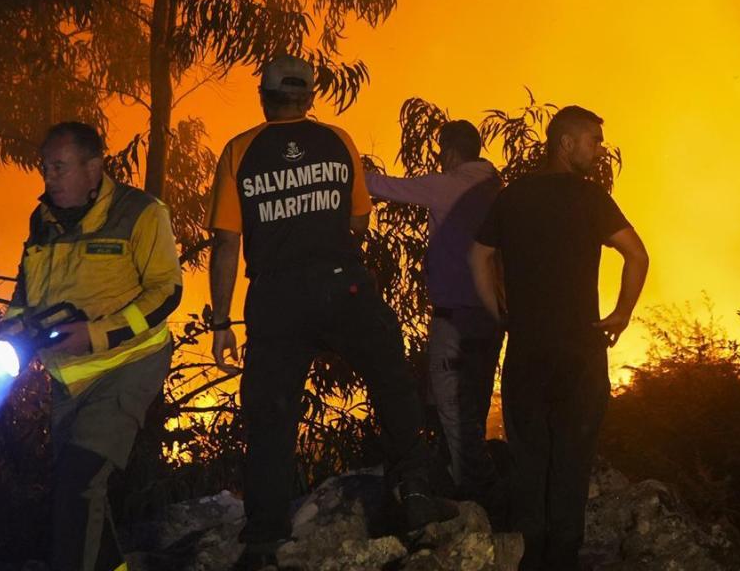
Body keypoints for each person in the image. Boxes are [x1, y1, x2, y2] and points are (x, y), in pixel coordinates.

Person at [205, 55, 455, 569]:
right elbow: (359, 221)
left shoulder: (239, 151)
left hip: (275, 296)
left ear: (263, 98)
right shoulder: (337, 141)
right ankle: (415, 493)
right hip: (343, 286)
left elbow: (226, 242)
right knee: (390, 379)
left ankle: (265, 537)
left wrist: (222, 321)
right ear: (310, 98)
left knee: (271, 415)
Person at [470, 105, 649, 571]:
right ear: (566, 143)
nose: (599, 150)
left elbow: (478, 257)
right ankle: (563, 558)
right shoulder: (590, 198)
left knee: (528, 461)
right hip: (580, 353)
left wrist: (498, 314)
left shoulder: (512, 196)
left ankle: (529, 558)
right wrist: (622, 313)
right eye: (594, 141)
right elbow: (637, 255)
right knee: (573, 462)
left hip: (527, 349)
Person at [0, 121, 183, 571]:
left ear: (94, 167)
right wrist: (9, 331)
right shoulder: (42, 220)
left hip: (127, 366)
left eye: (60, 167)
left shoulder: (140, 213)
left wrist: (99, 334)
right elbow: (24, 293)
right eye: (45, 168)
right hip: (70, 378)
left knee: (79, 482)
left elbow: (166, 292)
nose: (50, 178)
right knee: (78, 489)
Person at [366, 119, 504, 499]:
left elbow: (381, 185)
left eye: (442, 152)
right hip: (492, 315)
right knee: (474, 403)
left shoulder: (448, 185)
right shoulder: (496, 187)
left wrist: (340, 167)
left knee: (453, 407)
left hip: (455, 317)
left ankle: (477, 494)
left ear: (451, 152)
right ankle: (464, 482)